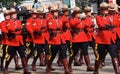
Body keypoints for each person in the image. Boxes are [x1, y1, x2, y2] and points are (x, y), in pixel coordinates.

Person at [93, 2, 120, 74]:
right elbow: (101, 25)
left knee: (114, 55)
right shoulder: (98, 17)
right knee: (100, 56)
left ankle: (117, 71)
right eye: (104, 9)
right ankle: (96, 70)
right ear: (101, 10)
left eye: (106, 9)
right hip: (102, 40)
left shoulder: (110, 16)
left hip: (111, 39)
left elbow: (115, 24)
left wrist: (109, 25)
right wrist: (109, 26)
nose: (106, 11)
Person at [3, 8, 30, 74]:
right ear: (11, 15)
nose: (15, 15)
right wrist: (16, 29)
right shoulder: (8, 22)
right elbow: (9, 29)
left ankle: (25, 69)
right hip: (12, 41)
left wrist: (21, 30)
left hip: (19, 40)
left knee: (23, 55)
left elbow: (21, 30)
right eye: (14, 14)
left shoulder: (19, 21)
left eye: (15, 14)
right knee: (10, 56)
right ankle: (6, 68)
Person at [68, 6, 94, 72]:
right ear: (74, 14)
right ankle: (69, 65)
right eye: (77, 13)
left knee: (85, 52)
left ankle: (89, 66)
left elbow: (87, 25)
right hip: (76, 38)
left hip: (83, 37)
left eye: (79, 13)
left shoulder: (82, 20)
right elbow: (72, 24)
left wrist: (87, 20)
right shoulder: (72, 19)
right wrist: (79, 20)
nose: (79, 14)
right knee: (74, 53)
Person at [46, 7, 71, 74]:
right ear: (52, 13)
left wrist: (66, 25)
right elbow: (51, 27)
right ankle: (48, 68)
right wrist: (55, 29)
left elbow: (65, 26)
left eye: (57, 12)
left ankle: (66, 69)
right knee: (53, 55)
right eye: (55, 12)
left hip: (61, 38)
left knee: (64, 54)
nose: (56, 13)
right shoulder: (50, 20)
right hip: (54, 39)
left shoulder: (60, 20)